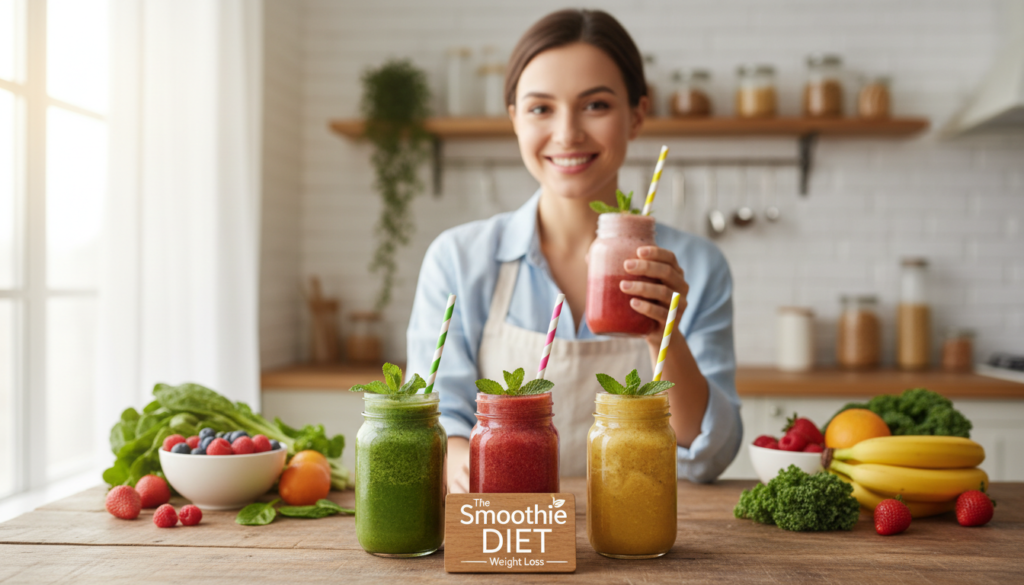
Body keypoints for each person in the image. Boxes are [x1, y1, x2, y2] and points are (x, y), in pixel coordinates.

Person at [406, 9, 741, 493]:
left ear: (637, 115)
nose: (567, 134)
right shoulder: (458, 260)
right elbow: (438, 424)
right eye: (541, 108)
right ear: (514, 120)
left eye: (596, 105)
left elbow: (708, 455)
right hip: (512, 531)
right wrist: (462, 462)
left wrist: (661, 335)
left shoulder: (699, 267)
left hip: (638, 537)